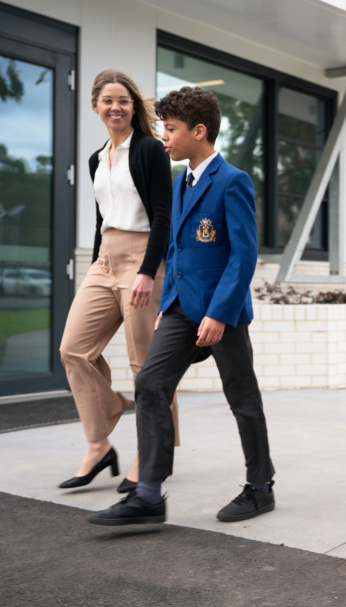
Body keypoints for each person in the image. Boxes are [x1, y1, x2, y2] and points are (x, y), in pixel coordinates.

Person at [87, 86, 275, 526]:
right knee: (151, 384)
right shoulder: (179, 182)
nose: (164, 138)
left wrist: (219, 313)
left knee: (242, 399)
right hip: (178, 310)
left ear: (199, 130)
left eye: (170, 130)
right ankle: (149, 495)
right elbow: (176, 248)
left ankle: (260, 487)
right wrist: (166, 302)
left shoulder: (233, 181)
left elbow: (243, 256)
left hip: (219, 314)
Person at [58, 69, 181, 494]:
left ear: (134, 107)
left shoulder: (149, 150)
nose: (116, 107)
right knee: (74, 349)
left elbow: (163, 214)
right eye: (108, 100)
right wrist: (96, 264)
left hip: (143, 257)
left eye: (124, 100)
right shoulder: (97, 158)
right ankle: (99, 442)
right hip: (105, 259)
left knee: (146, 365)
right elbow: (100, 218)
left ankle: (151, 454)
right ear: (95, 105)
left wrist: (149, 270)